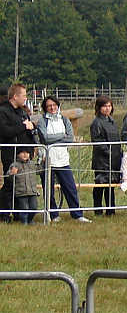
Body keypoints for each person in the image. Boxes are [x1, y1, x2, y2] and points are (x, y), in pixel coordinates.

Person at [38, 95, 90, 222]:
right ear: (45, 108)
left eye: (54, 105)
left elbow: (70, 138)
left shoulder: (65, 120)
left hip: (63, 160)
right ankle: (53, 215)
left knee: (70, 188)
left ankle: (77, 214)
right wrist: (62, 136)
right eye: (49, 106)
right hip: (48, 159)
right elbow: (45, 138)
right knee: (49, 190)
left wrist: (56, 138)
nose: (52, 108)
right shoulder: (42, 121)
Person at [0, 82, 38, 221]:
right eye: (24, 95)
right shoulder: (3, 111)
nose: (25, 98)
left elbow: (29, 131)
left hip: (24, 154)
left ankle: (19, 214)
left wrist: (32, 130)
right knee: (10, 183)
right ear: (15, 96)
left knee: (21, 184)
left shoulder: (22, 112)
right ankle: (3, 214)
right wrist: (23, 126)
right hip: (10, 153)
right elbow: (5, 131)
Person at [89, 95, 122, 216]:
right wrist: (108, 151)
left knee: (110, 186)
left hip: (114, 159)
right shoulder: (96, 122)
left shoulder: (112, 121)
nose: (107, 108)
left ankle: (111, 210)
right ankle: (98, 210)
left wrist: (117, 153)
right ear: (99, 107)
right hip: (102, 160)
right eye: (104, 106)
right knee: (100, 185)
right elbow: (97, 141)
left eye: (109, 106)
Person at [5, 146, 41, 224]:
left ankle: (30, 220)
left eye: (27, 153)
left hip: (32, 191)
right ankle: (24, 222)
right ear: (18, 154)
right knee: (24, 209)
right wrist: (11, 173)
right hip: (21, 192)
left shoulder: (32, 164)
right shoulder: (15, 165)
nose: (25, 154)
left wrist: (44, 162)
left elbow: (40, 170)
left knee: (34, 207)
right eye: (22, 153)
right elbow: (8, 177)